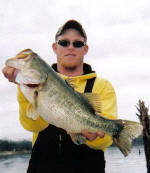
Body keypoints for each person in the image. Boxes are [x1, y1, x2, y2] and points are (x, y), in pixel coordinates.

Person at [2, 19, 117, 173]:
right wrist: (21, 83)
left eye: (77, 43)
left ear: (85, 49)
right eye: (64, 42)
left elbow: (106, 141)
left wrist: (96, 137)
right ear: (55, 47)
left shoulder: (103, 86)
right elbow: (32, 125)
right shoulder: (31, 84)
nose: (70, 47)